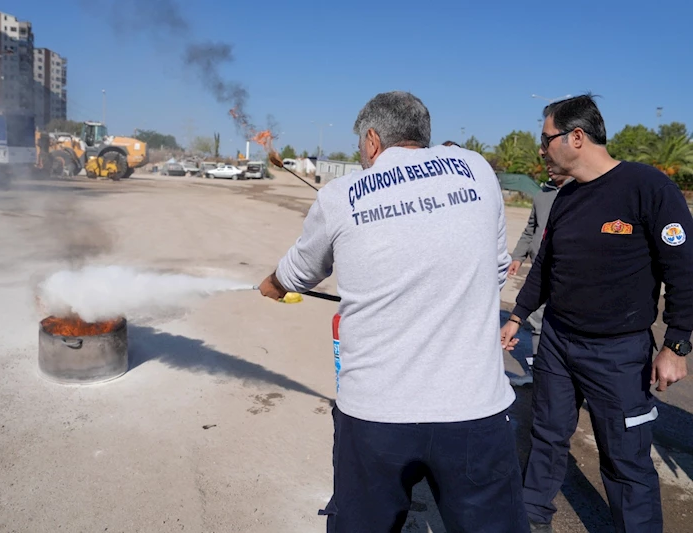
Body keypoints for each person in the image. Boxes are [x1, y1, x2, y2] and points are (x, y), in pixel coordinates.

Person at [259, 91, 529, 533]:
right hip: (476, 412)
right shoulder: (478, 170)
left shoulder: (340, 194)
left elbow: (298, 272)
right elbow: (498, 268)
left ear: (371, 139)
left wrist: (271, 285)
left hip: (375, 419)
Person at [501, 94, 693, 533]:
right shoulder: (564, 198)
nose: (541, 150)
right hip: (558, 344)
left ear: (576, 137)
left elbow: (683, 269)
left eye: (545, 140)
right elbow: (545, 267)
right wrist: (517, 316)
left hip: (618, 354)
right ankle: (531, 518)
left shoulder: (648, 187)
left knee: (625, 458)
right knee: (547, 437)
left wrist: (676, 344)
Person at [507, 171, 572, 386]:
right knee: (536, 323)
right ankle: (536, 374)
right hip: (538, 271)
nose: (549, 166)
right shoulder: (542, 194)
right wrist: (518, 256)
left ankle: (579, 384)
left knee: (567, 328)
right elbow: (530, 229)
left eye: (553, 162)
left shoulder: (580, 191)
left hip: (566, 273)